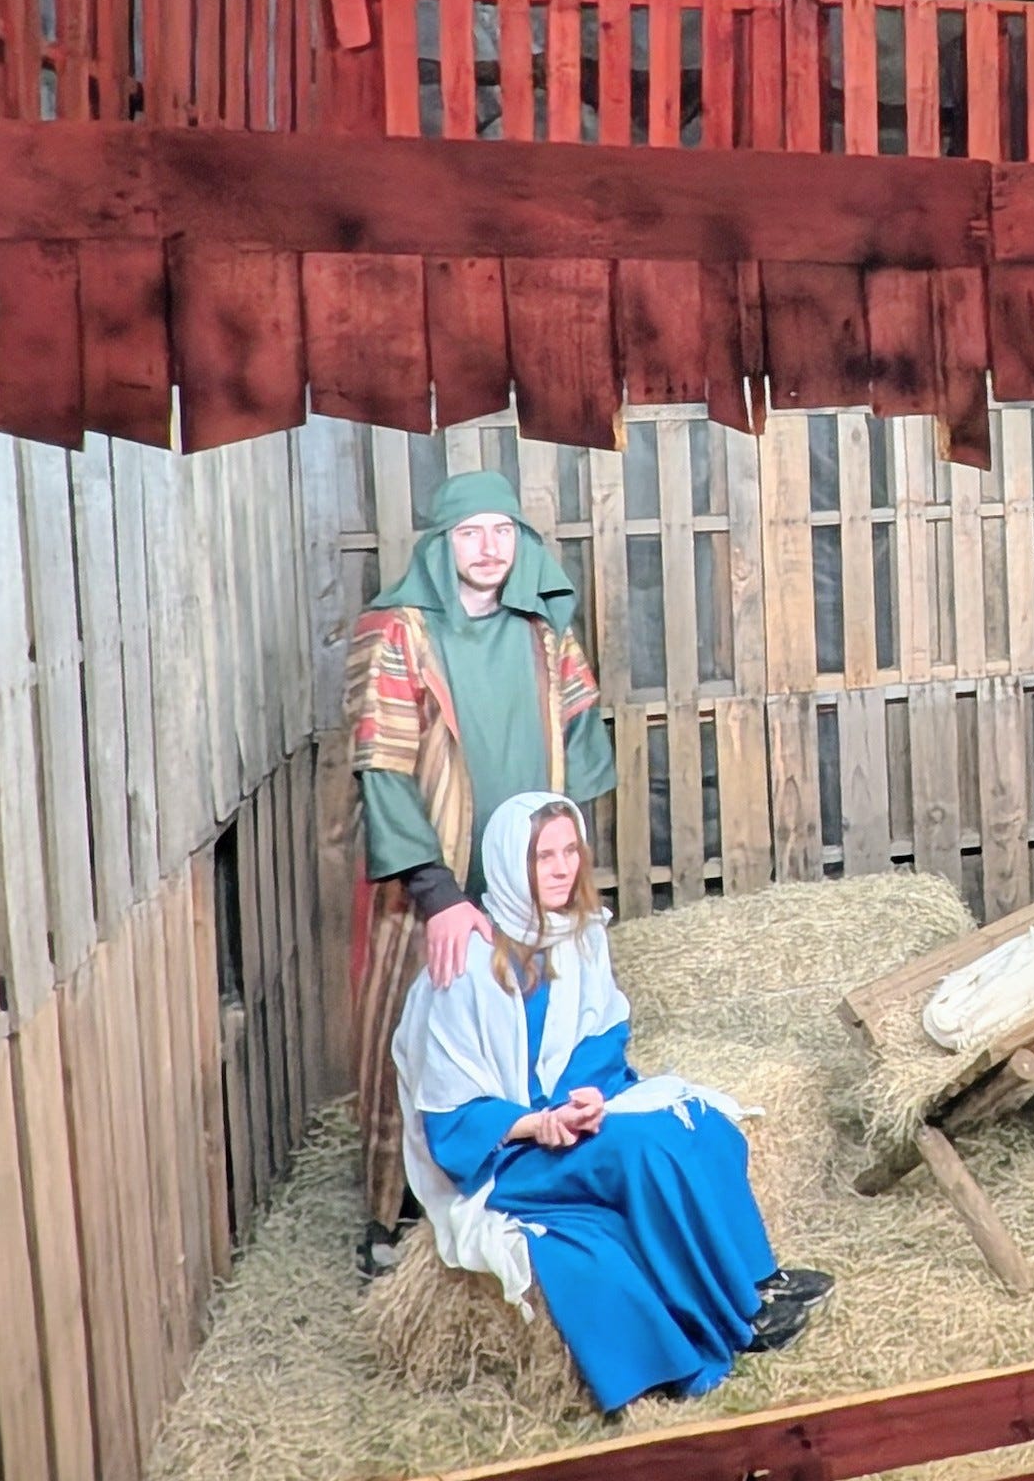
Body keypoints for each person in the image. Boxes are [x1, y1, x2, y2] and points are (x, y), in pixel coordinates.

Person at [394, 791, 834, 1406]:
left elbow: (602, 1036)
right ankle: (737, 1316)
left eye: (569, 851)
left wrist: (587, 1098)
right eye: (543, 856)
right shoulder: (465, 969)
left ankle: (760, 1278)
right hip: (508, 1154)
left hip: (576, 1114)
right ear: (509, 865)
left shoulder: (580, 935)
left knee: (702, 1123)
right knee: (645, 1152)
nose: (561, 869)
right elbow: (449, 1113)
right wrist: (538, 1123)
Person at [346, 470, 620, 1260]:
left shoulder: (543, 628)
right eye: (471, 533)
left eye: (503, 531)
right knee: (417, 1039)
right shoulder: (399, 631)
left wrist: (557, 860)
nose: (489, 548)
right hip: (436, 887)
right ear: (442, 545)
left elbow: (578, 735)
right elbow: (382, 765)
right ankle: (396, 1220)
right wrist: (437, 896)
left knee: (539, 1028)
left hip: (529, 884)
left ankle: (532, 1187)